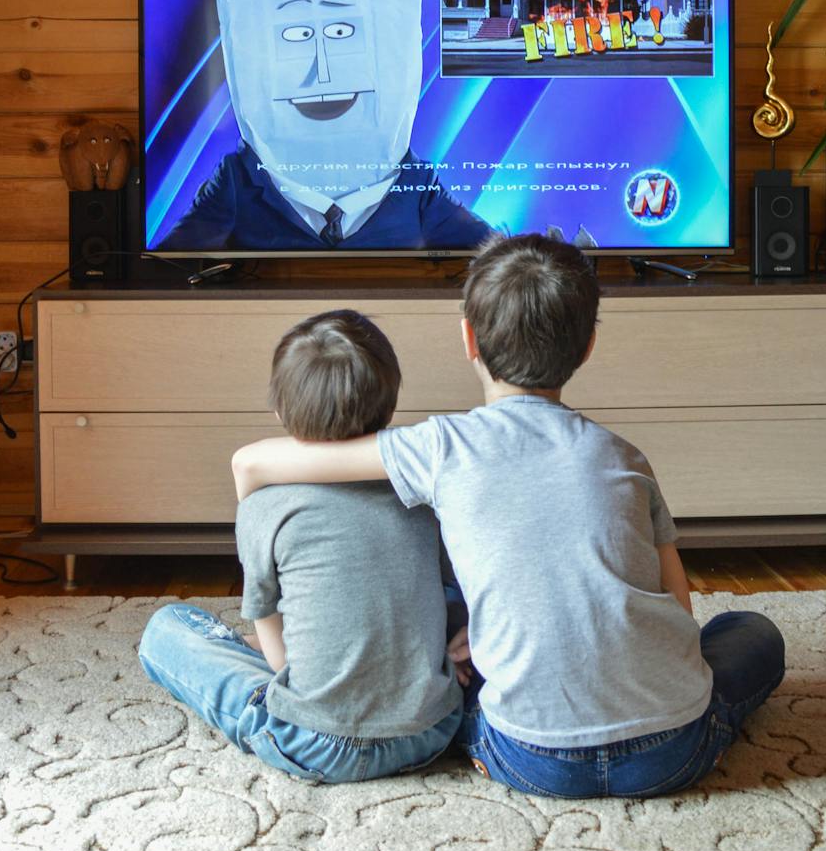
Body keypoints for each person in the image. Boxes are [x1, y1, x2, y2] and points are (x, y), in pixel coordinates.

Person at [230, 233, 786, 797]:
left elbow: (286, 459)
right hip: (670, 751)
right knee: (751, 632)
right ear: (589, 345)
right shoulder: (625, 457)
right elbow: (679, 608)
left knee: (445, 631)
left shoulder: (441, 446)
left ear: (468, 338)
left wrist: (247, 473)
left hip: (530, 757)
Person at [138, 309, 464, 783]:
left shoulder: (263, 506)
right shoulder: (420, 494)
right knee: (440, 593)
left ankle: (316, 658)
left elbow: (274, 648)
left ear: (279, 411)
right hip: (431, 732)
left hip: (315, 744)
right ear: (390, 408)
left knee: (166, 629)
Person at [156, 0, 491, 252]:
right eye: (297, 35)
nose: (324, 72)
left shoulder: (415, 184)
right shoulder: (237, 179)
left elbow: (506, 260)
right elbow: (164, 269)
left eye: (342, 32)